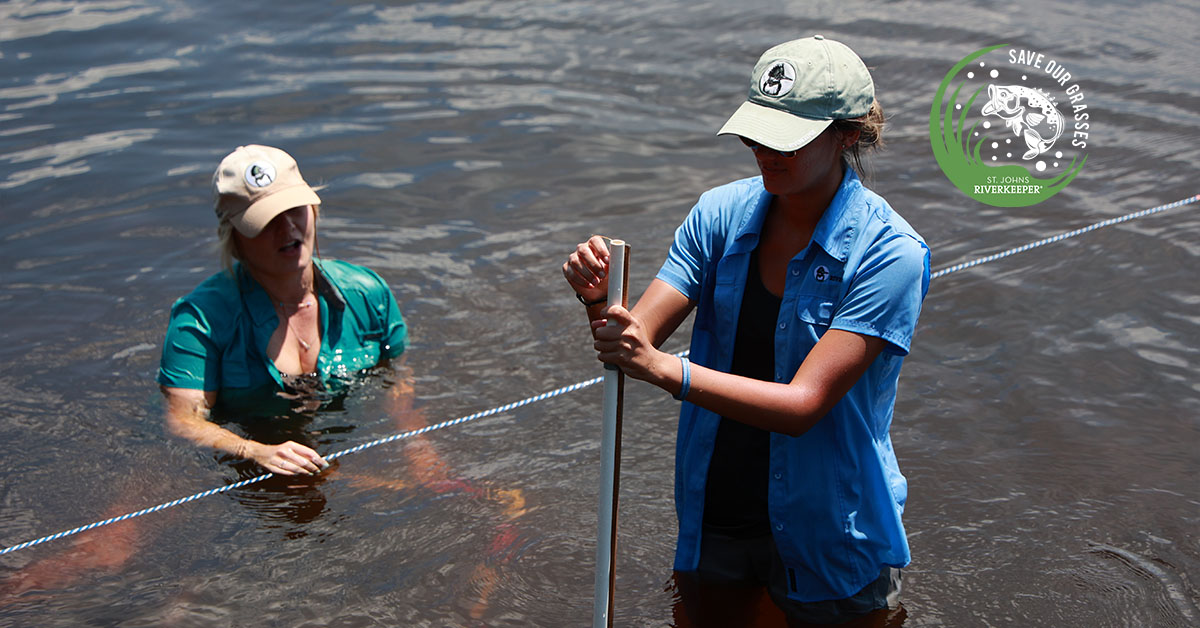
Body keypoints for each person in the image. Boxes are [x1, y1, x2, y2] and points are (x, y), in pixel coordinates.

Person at [563, 36, 929, 626]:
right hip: (717, 513)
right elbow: (634, 341)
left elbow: (803, 405)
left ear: (847, 135)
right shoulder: (718, 215)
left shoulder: (890, 255)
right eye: (758, 131)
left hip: (829, 526)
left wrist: (662, 369)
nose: (764, 151)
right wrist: (600, 303)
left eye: (789, 137)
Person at [157, 144, 409, 475]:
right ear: (234, 239)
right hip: (244, 455)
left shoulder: (368, 293)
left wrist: (417, 450)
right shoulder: (200, 319)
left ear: (314, 210)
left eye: (295, 209)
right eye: (267, 220)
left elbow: (399, 381)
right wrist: (255, 450)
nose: (287, 227)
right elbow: (183, 419)